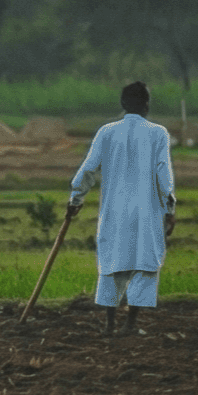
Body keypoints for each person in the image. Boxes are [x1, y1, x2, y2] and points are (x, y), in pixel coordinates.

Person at [69, 80, 176, 335]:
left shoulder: (106, 132)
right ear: (147, 105)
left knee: (112, 265)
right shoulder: (158, 133)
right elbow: (164, 174)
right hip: (148, 212)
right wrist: (170, 208)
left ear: (122, 104)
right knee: (144, 266)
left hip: (114, 212)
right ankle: (130, 326)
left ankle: (108, 326)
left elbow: (88, 168)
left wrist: (76, 199)